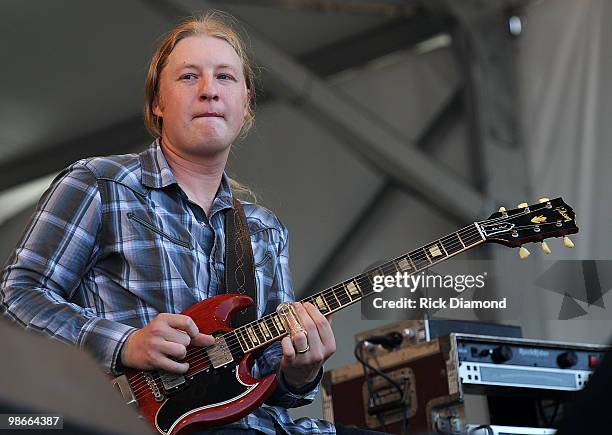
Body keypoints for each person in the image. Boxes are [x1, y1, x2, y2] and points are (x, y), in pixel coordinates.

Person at [0, 11, 385, 435]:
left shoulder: (263, 230)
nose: (209, 91)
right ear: (157, 104)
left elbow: (270, 381)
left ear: (245, 105)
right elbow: (17, 298)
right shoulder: (100, 183)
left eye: (225, 77)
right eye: (188, 77)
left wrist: (301, 371)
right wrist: (124, 344)